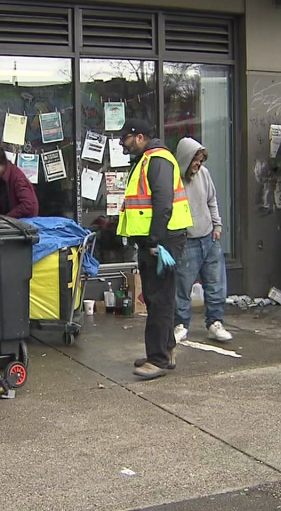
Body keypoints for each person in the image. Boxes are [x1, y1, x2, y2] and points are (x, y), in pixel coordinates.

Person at [117, 119, 193, 380]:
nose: (123, 144)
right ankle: (165, 351)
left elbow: (163, 204)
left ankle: (157, 359)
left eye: (126, 139)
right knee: (155, 297)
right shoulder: (147, 160)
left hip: (163, 241)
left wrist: (155, 242)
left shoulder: (157, 160)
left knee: (159, 298)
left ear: (139, 137)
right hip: (157, 240)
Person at [173, 138, 232, 343]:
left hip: (209, 236)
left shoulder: (204, 174)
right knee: (182, 287)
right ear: (185, 160)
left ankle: (215, 322)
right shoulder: (174, 180)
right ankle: (180, 324)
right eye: (195, 161)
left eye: (200, 161)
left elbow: (211, 200)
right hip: (187, 240)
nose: (198, 165)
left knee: (215, 284)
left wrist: (217, 226)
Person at [0, 147, 39, 219]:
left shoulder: (17, 178)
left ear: (1, 165)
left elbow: (29, 204)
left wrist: (8, 217)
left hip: (22, 224)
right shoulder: (0, 178)